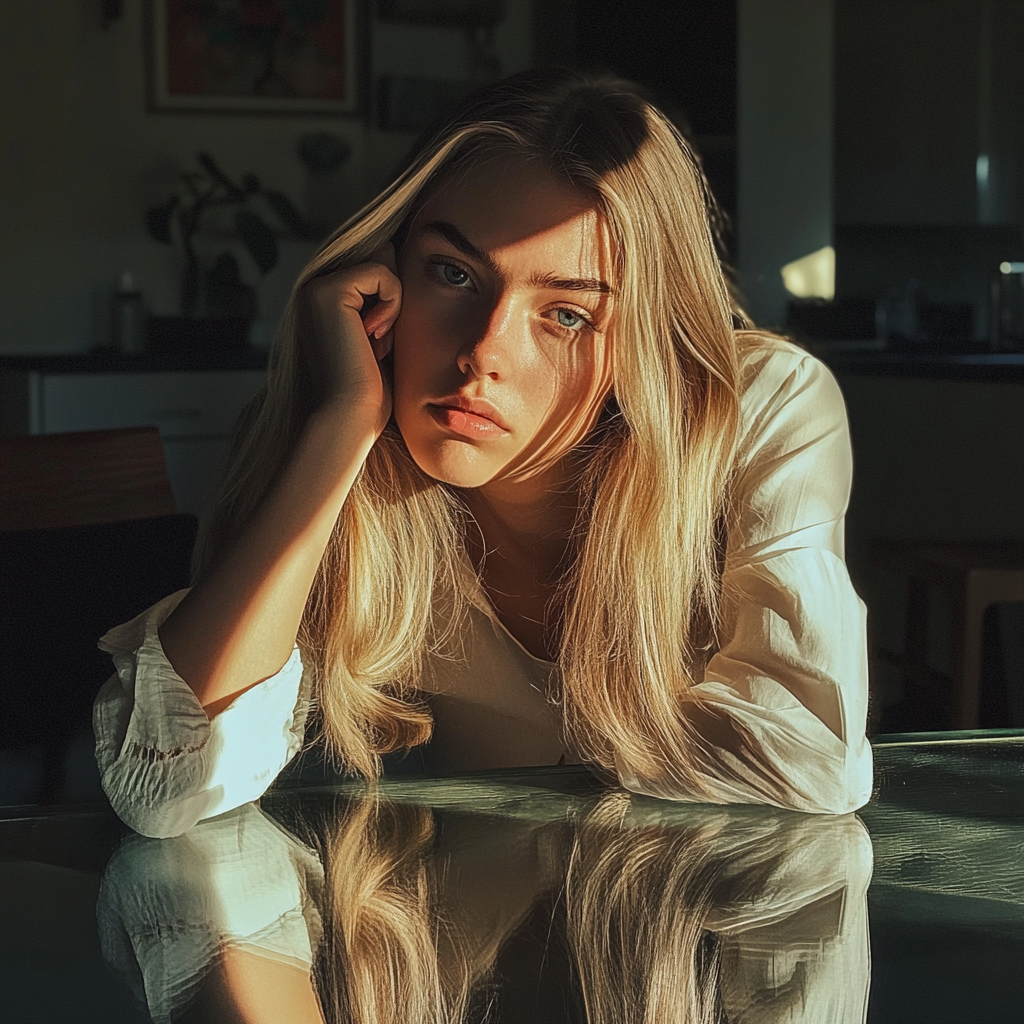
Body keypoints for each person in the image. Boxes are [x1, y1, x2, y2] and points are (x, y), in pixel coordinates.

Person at [93, 68, 872, 839]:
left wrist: (586, 729)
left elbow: (806, 759)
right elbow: (165, 786)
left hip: (707, 932)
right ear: (387, 273)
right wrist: (340, 427)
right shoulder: (339, 445)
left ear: (644, 341)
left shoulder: (757, 407)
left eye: (566, 314)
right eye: (454, 273)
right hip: (455, 930)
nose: (482, 354)